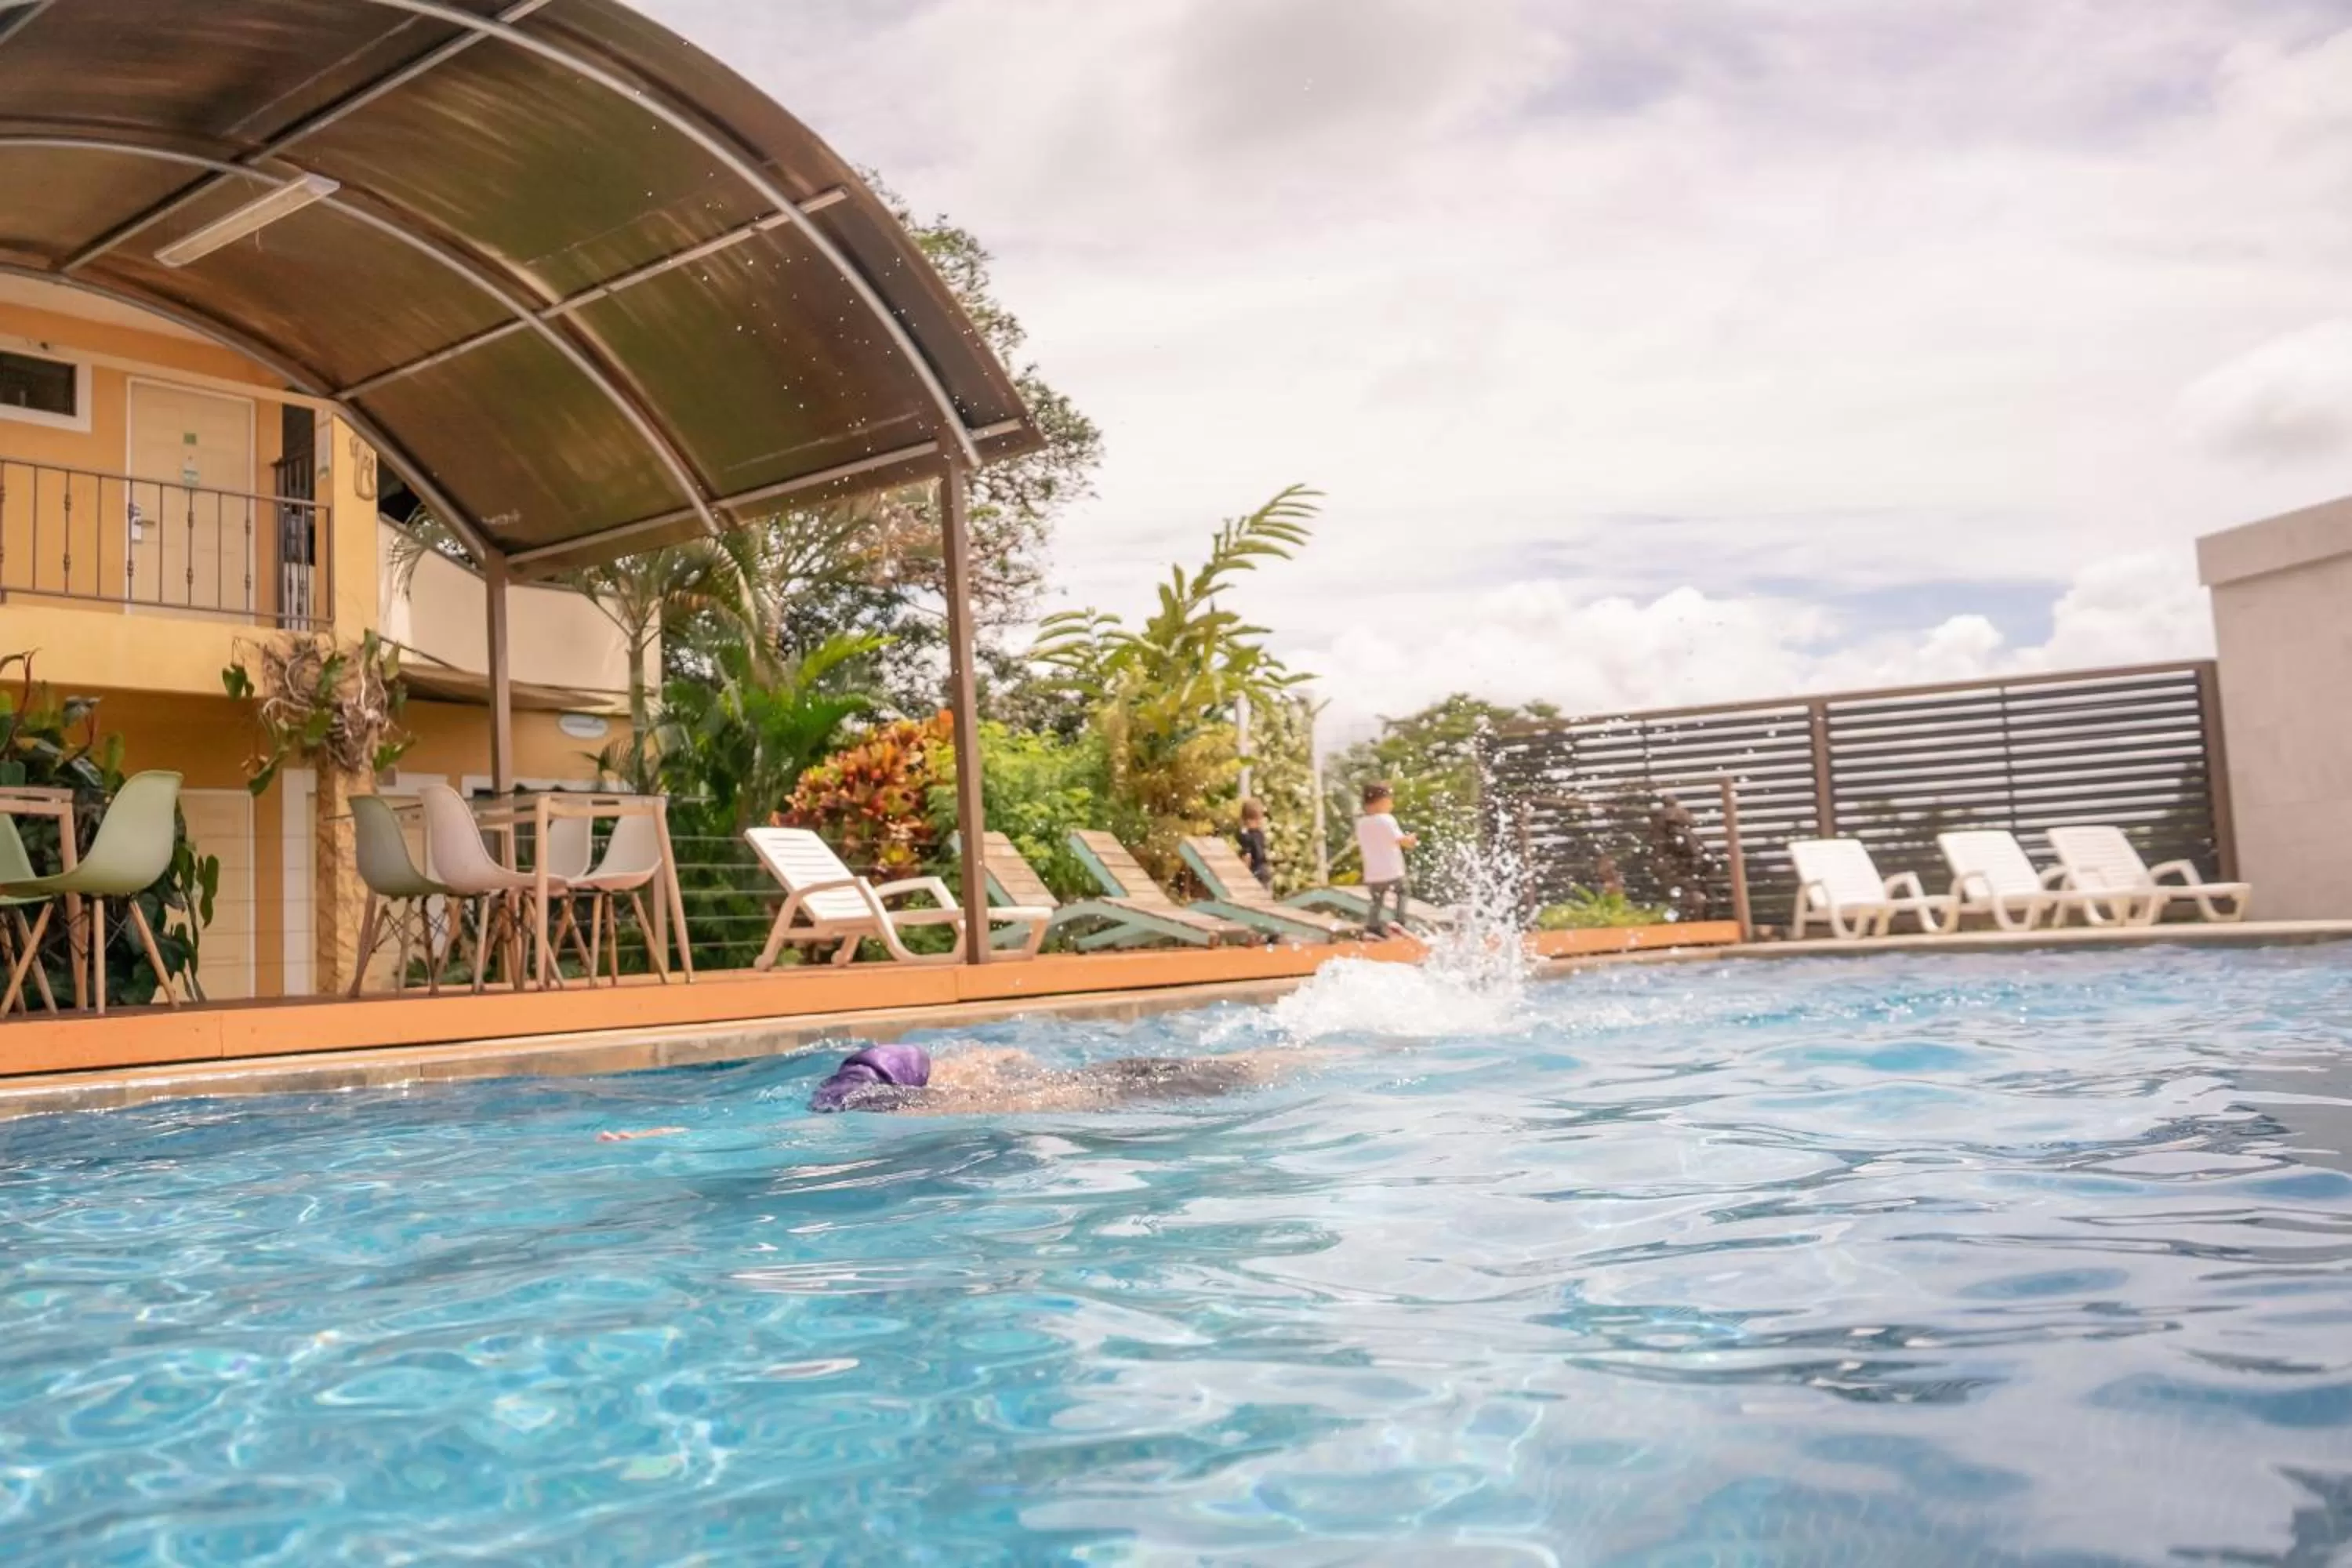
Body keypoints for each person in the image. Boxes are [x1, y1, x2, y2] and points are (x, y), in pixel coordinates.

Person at [1355, 781, 1419, 938]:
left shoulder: (1361, 823)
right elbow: (1400, 840)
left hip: (1372, 873)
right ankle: (1399, 920)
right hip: (1392, 871)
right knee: (1403, 891)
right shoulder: (1387, 819)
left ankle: (1372, 927)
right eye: (1390, 801)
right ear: (1382, 802)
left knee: (1376, 900)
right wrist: (1411, 840)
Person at [1236, 799, 1273, 888]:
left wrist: (1243, 876)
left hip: (1255, 871)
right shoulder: (1260, 833)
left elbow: (1247, 856)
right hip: (1264, 870)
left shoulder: (1246, 835)